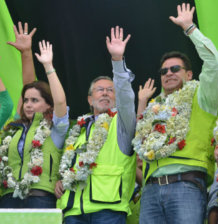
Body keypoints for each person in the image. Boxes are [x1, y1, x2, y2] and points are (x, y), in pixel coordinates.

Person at [132, 3, 218, 224]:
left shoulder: (202, 97)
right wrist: (142, 103)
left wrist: (190, 28)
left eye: (175, 69)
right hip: (151, 190)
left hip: (186, 186)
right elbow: (140, 145)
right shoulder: (156, 107)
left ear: (189, 74)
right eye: (164, 71)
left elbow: (214, 63)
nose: (168, 74)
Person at [55, 26, 136, 224]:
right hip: (73, 209)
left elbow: (126, 97)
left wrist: (117, 60)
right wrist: (62, 179)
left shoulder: (123, 123)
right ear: (90, 99)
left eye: (111, 90)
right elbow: (70, 162)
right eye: (100, 90)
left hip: (108, 208)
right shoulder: (79, 127)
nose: (106, 93)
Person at [0, 22, 69, 208]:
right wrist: (24, 53)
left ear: (48, 104)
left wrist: (48, 66)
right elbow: (28, 85)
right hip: (8, 198)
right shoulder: (13, 128)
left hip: (40, 198)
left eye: (35, 101)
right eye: (26, 100)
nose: (28, 104)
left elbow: (61, 102)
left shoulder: (56, 129)